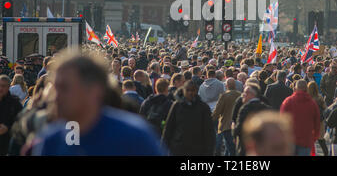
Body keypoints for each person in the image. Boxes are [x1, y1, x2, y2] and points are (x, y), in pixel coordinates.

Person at [32, 53, 164, 156]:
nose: (55, 97)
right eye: (55, 88)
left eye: (65, 88)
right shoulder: (51, 140)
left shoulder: (134, 136)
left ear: (93, 90)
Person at [162, 80, 215, 156]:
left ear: (196, 91)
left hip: (198, 149)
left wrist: (209, 151)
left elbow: (209, 131)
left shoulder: (203, 107)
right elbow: (168, 127)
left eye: (193, 90)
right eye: (188, 90)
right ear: (183, 91)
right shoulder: (177, 106)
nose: (190, 93)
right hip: (179, 148)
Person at [280, 80, 320, 156]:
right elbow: (317, 123)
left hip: (290, 139)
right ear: (306, 89)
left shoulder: (288, 101)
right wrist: (313, 138)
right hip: (306, 140)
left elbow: (281, 121)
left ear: (295, 88)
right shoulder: (312, 103)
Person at [233, 84, 270, 156]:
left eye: (245, 92)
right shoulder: (266, 107)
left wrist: (234, 131)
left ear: (252, 94)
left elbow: (239, 128)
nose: (243, 95)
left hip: (246, 147)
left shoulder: (245, 108)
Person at [212, 78, 241, 156]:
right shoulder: (240, 95)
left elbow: (217, 111)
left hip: (226, 125)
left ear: (227, 85)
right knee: (230, 148)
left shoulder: (224, 96)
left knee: (230, 148)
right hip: (237, 125)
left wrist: (210, 119)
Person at [0, 75, 23, 155]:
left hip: (8, 143)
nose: (1, 88)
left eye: (3, 86)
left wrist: (8, 128)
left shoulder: (15, 103)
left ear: (9, 87)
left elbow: (20, 123)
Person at [307, 81, 328, 156]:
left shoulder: (307, 98)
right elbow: (325, 108)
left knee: (310, 139)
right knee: (321, 139)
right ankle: (326, 153)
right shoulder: (319, 97)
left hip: (309, 121)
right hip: (319, 120)